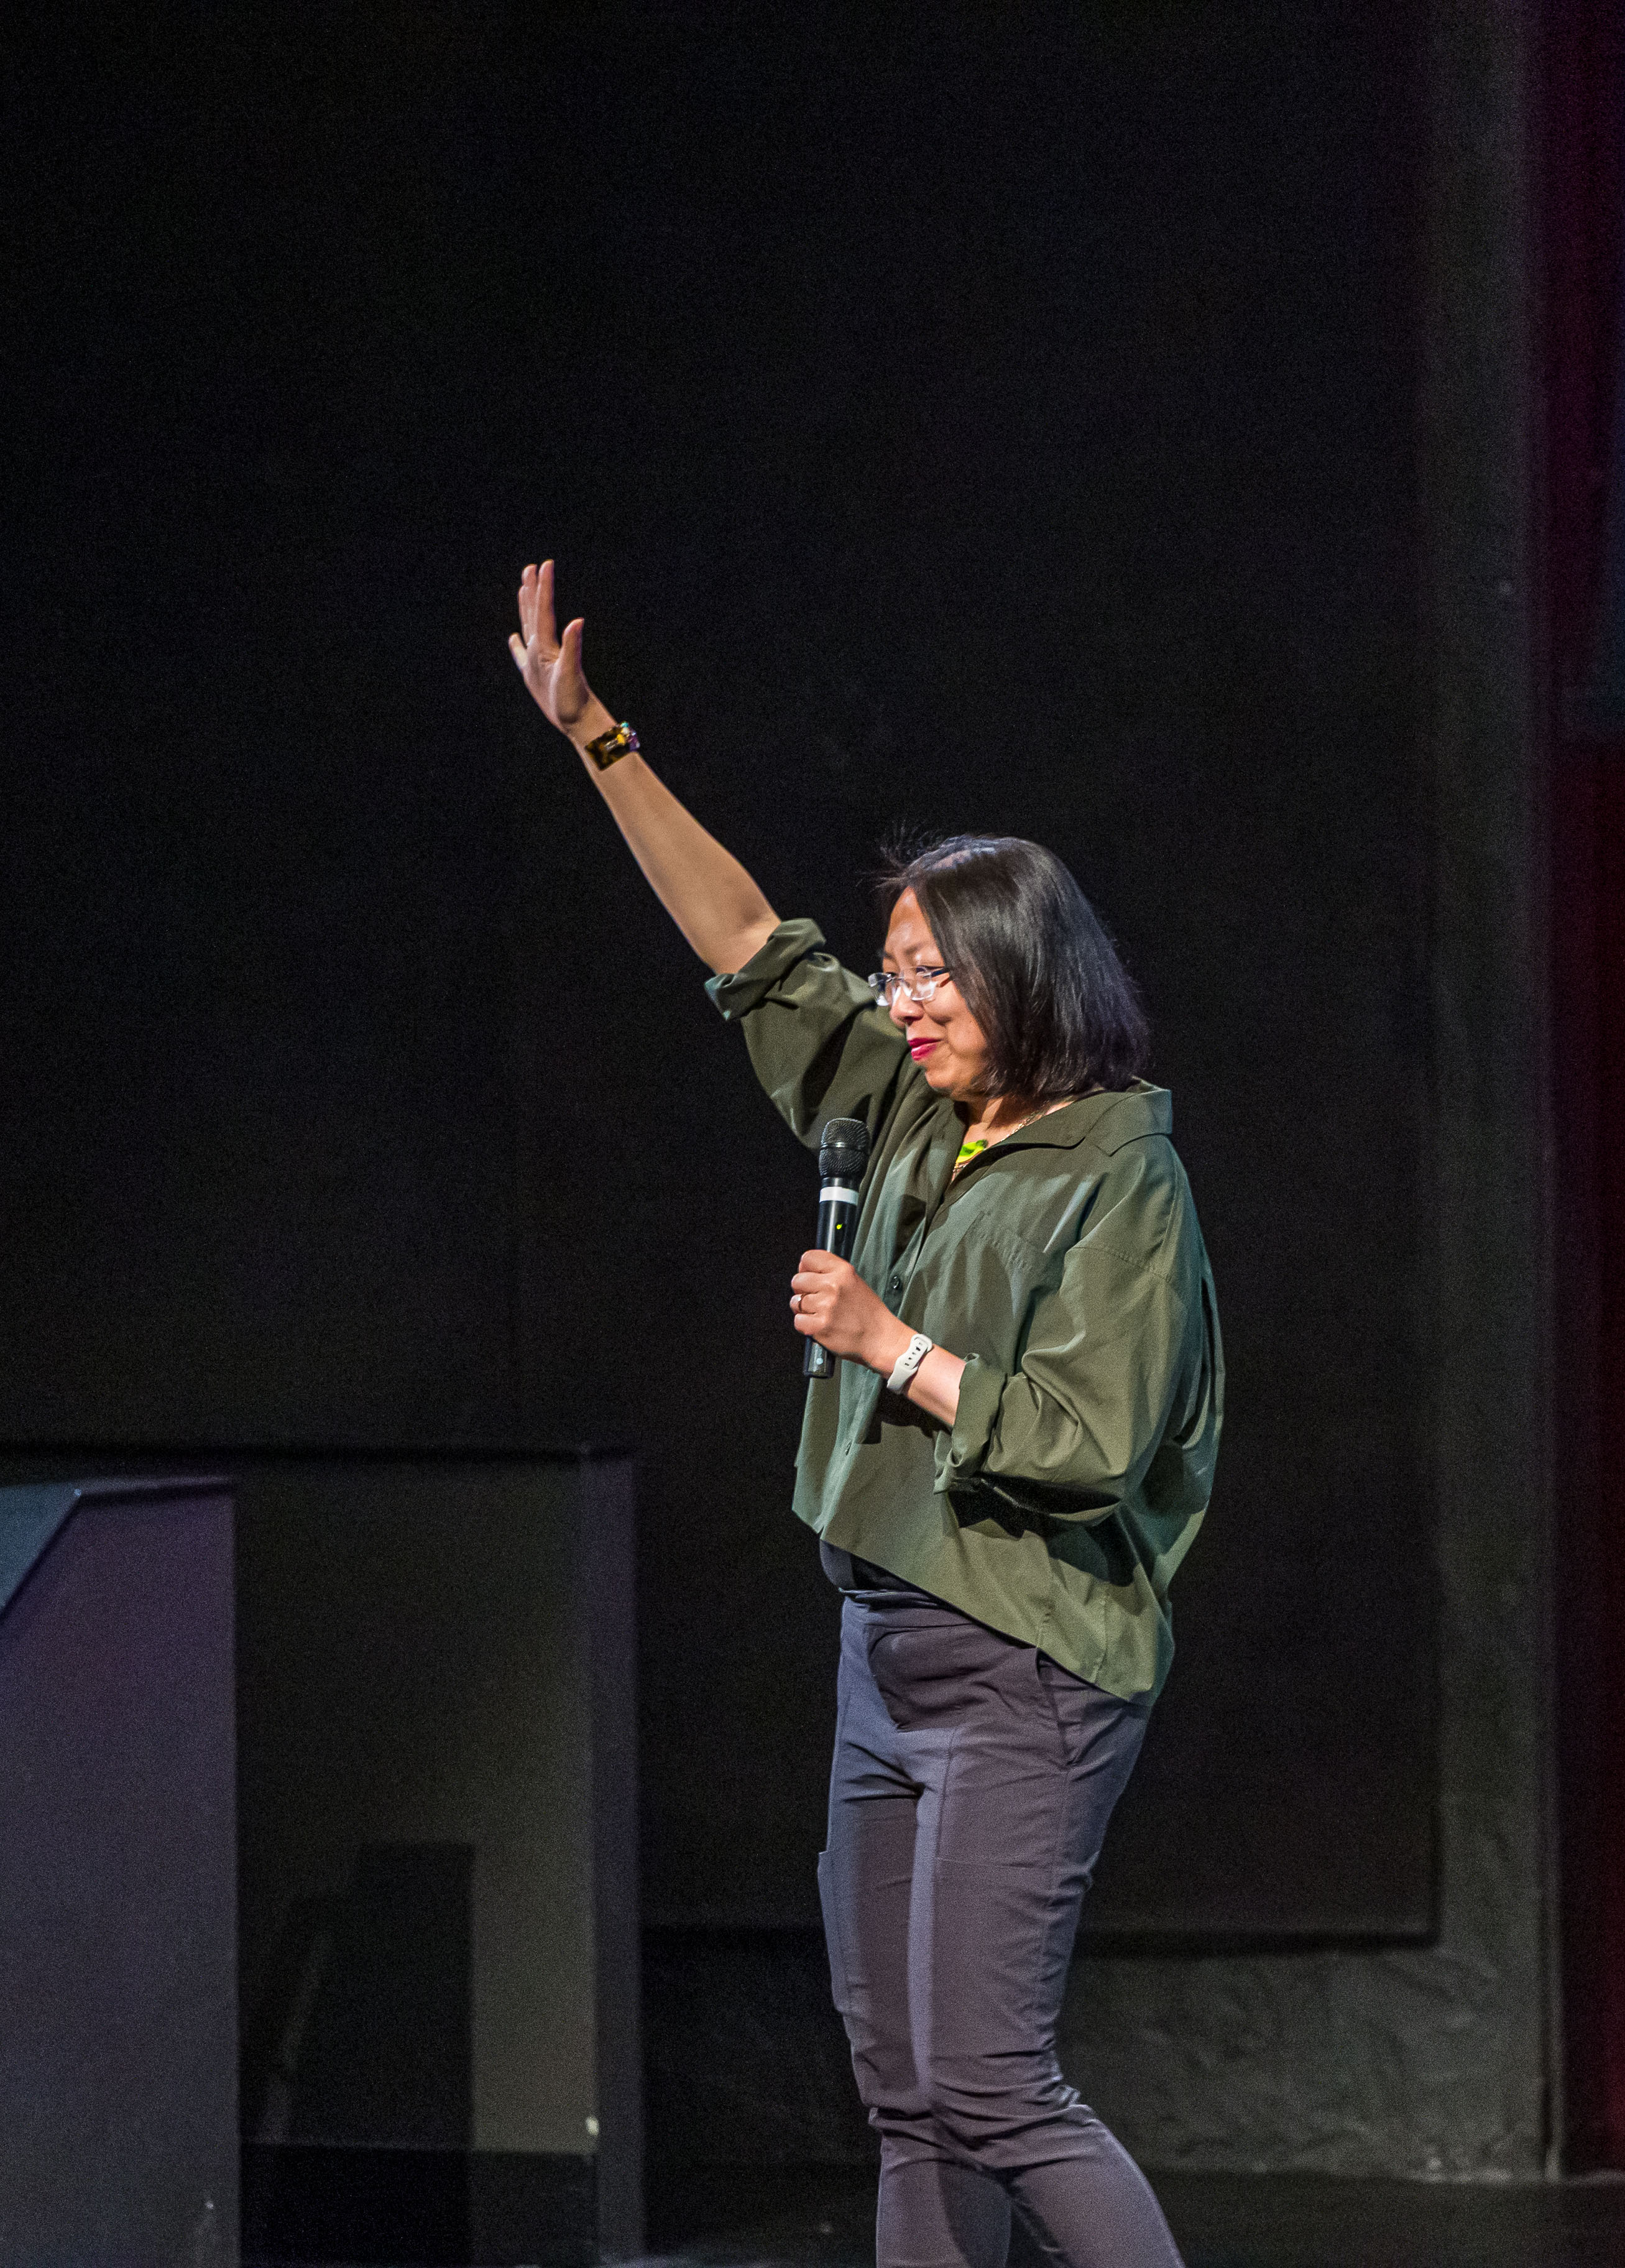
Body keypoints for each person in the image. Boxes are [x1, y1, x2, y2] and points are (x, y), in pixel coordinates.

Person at [508, 561, 1221, 2268]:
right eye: (895, 977)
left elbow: (1088, 1442)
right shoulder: (909, 1111)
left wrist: (891, 1343)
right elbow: (749, 946)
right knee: (908, 2098)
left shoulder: (1121, 1177)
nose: (903, 1007)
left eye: (932, 980)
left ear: (1023, 979)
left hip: (1026, 1669)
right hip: (885, 1654)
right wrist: (598, 739)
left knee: (992, 2085)